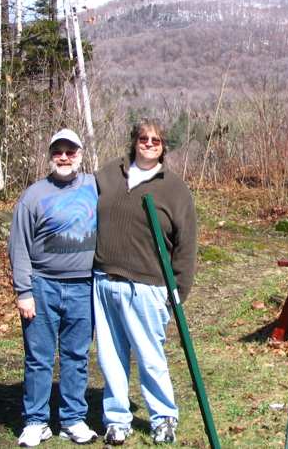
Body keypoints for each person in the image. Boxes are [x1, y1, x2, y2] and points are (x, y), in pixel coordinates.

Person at [93, 119, 197, 445]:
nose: (149, 143)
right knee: (110, 357)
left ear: (164, 146)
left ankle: (164, 417)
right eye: (143, 138)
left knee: (151, 357)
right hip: (105, 281)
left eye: (156, 140)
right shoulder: (108, 175)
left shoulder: (174, 189)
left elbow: (186, 244)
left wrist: (178, 289)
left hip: (148, 287)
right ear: (134, 140)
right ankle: (117, 420)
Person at [9, 129, 98, 447]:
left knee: (76, 356)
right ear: (50, 156)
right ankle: (36, 421)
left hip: (84, 287)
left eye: (70, 151)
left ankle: (73, 419)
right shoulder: (33, 195)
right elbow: (18, 245)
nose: (64, 157)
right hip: (42, 286)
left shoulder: (95, 188)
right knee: (39, 357)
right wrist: (24, 291)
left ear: (80, 154)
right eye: (58, 151)